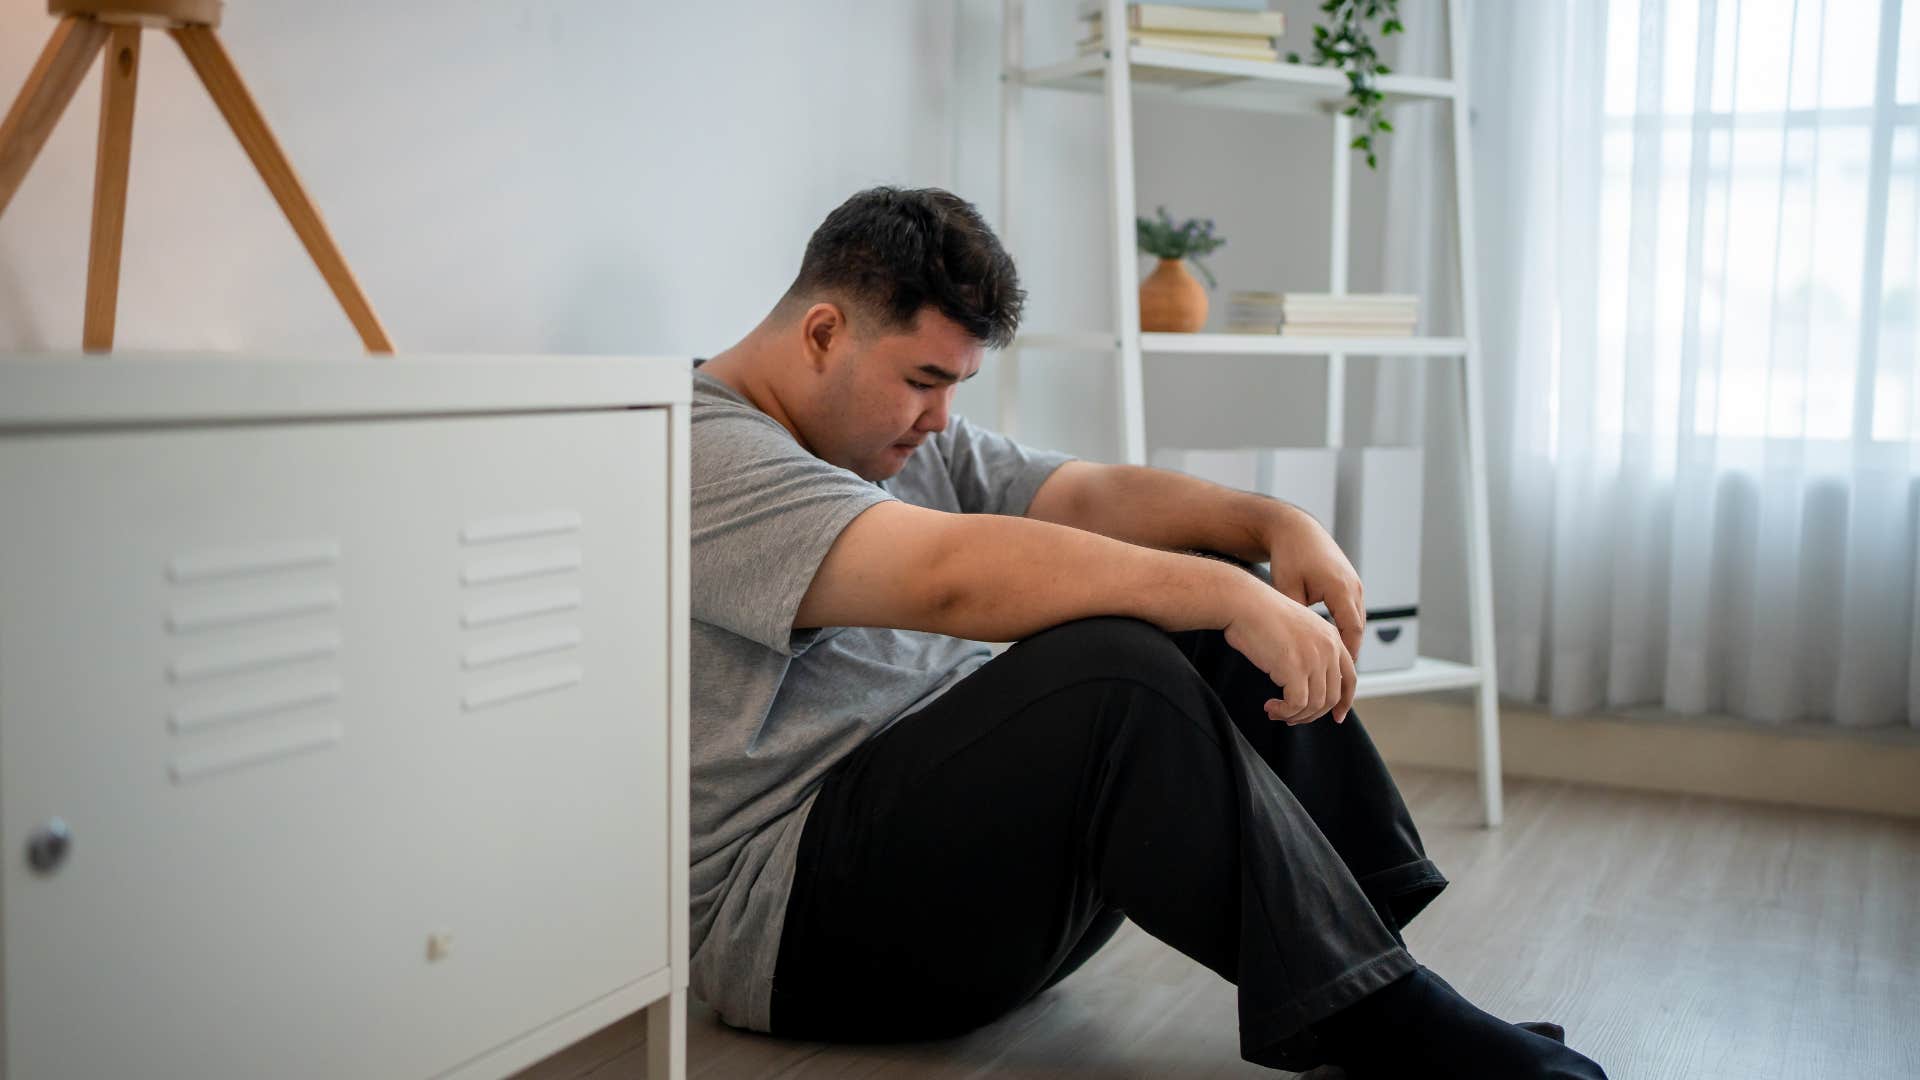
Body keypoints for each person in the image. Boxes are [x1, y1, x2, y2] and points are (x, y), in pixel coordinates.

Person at [688, 185, 1607, 1079]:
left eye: (957, 386)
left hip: (966, 886)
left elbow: (1088, 496)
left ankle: (1387, 983)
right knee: (1119, 664)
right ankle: (1394, 1022)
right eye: (923, 381)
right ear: (822, 334)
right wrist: (1221, 592)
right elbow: (950, 580)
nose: (939, 418)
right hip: (803, 934)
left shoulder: (897, 435)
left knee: (1202, 612)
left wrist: (1270, 527)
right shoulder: (701, 448)